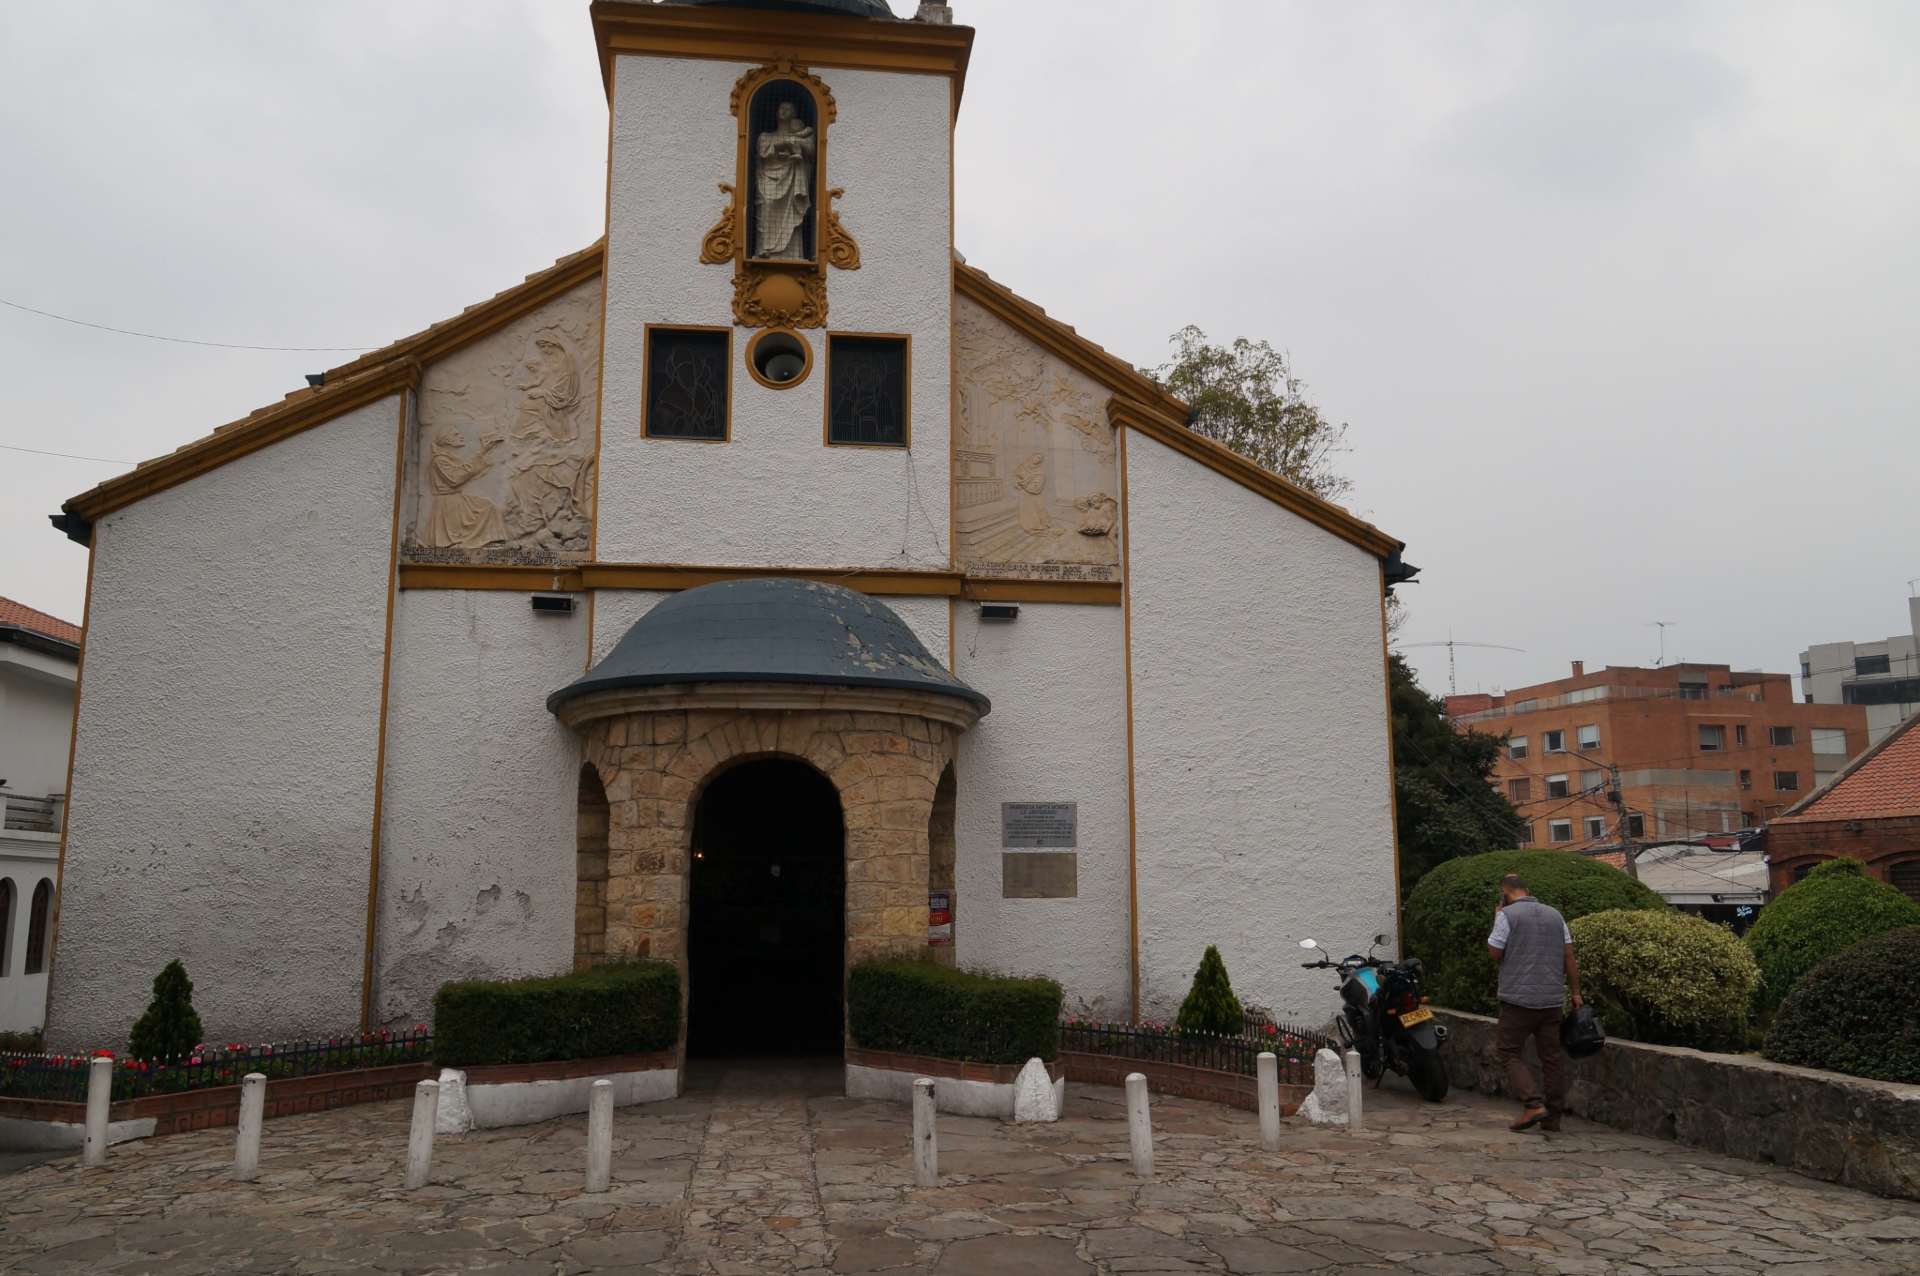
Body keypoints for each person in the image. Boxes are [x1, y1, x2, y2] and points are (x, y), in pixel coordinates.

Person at [1486, 872, 1582, 1132]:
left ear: (1505, 894)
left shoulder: (1506, 916)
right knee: (1551, 1058)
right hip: (1551, 1000)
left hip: (1518, 1000)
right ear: (1527, 890)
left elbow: (1494, 953)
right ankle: (1553, 1119)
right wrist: (1575, 993)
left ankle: (1533, 1105)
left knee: (1508, 1051)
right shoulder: (1555, 915)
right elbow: (1569, 956)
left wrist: (1497, 916)